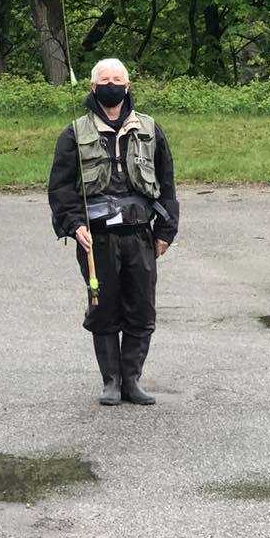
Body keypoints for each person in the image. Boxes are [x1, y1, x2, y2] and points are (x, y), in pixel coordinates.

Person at [48, 59, 180, 406]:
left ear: (128, 85)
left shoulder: (150, 129)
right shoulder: (74, 133)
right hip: (97, 239)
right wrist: (74, 225)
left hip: (140, 235)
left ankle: (132, 381)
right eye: (104, 80)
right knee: (103, 309)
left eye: (117, 79)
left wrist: (166, 231)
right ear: (93, 88)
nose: (111, 84)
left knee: (141, 309)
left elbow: (167, 184)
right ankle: (111, 381)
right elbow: (60, 188)